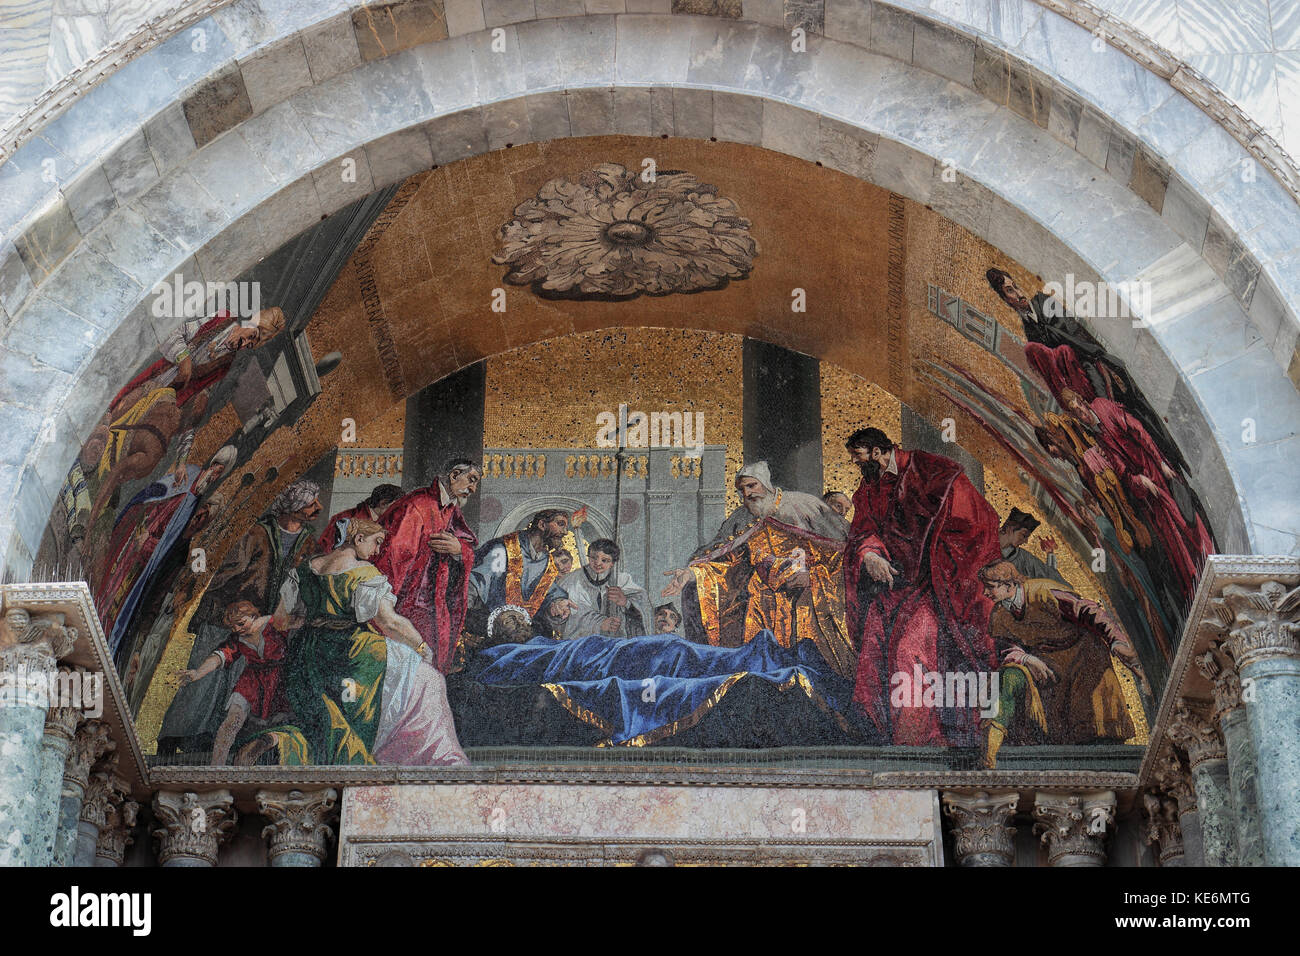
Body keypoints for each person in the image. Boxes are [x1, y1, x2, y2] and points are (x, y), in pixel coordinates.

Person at [248, 518, 468, 766]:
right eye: (376, 542)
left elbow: (281, 621)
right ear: (358, 539)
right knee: (430, 679)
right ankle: (433, 757)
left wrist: (317, 619)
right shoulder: (362, 572)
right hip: (354, 653)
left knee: (331, 718)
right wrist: (421, 647)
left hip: (310, 654)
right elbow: (390, 623)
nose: (377, 550)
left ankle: (285, 743)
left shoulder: (303, 570)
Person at [844, 428, 1002, 746]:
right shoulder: (869, 488)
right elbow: (863, 529)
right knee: (872, 645)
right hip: (897, 586)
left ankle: (914, 740)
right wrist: (870, 554)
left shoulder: (933, 471)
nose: (855, 463)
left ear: (877, 452)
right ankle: (879, 736)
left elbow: (976, 524)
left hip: (939, 585)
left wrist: (937, 560)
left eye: (858, 456)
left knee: (910, 650)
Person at [155, 479, 321, 756]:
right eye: (310, 502)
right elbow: (224, 571)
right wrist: (199, 599)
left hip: (263, 627)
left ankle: (211, 738)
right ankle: (176, 735)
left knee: (238, 684)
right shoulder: (256, 533)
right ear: (293, 506)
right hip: (227, 616)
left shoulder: (308, 544)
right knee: (206, 679)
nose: (318, 507)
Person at [661, 461, 855, 679]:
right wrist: (692, 573)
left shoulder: (804, 506)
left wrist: (812, 577)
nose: (747, 493)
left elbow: (841, 555)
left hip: (804, 604)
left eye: (752, 485)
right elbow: (726, 562)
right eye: (742, 489)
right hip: (759, 608)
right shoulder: (742, 518)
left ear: (766, 484)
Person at [977, 561, 1147, 768]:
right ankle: (989, 757)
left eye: (990, 586)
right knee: (1010, 677)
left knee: (1092, 720)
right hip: (1047, 665)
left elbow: (1087, 611)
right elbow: (1006, 646)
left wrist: (1116, 641)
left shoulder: (1044, 592)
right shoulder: (999, 615)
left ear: (1009, 584)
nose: (985, 592)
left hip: (1082, 659)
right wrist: (1026, 659)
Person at [95, 445, 235, 663]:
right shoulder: (186, 478)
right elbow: (157, 500)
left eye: (219, 474)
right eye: (215, 468)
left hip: (148, 579)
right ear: (211, 464)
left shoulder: (190, 549)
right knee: (113, 592)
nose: (214, 475)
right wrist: (146, 532)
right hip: (137, 554)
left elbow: (178, 584)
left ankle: (110, 642)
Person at [370, 460, 481, 673]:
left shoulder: (450, 507)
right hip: (408, 605)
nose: (473, 489)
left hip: (433, 605)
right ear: (454, 475)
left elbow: (466, 543)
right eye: (471, 480)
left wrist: (459, 549)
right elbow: (393, 563)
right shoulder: (416, 505)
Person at [175, 600, 294, 766]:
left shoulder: (275, 624)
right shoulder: (237, 639)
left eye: (241, 623)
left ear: (253, 616)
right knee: (232, 721)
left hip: (280, 679)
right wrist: (197, 673)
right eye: (233, 627)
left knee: (283, 722)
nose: (237, 629)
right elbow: (220, 656)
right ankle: (216, 766)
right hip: (251, 680)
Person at [468, 509, 569, 633]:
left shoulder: (545, 560)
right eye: (560, 524)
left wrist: (557, 603)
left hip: (523, 631)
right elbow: (474, 585)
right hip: (493, 629)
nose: (565, 532)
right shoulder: (502, 549)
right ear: (542, 525)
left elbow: (549, 592)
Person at [557, 539, 648, 638]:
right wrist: (600, 623)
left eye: (604, 560)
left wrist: (626, 602)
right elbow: (571, 616)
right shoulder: (571, 581)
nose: (598, 563)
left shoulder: (623, 580)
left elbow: (644, 610)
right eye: (594, 558)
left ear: (612, 562)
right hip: (582, 642)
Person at [319, 483, 404, 553]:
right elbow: (326, 548)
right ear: (383, 503)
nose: (398, 512)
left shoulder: (389, 522)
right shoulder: (346, 518)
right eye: (396, 508)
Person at [999, 508, 1070, 586]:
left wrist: (1050, 554)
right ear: (1010, 528)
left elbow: (1049, 575)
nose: (1026, 541)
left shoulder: (1023, 558)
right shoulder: (989, 538)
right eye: (1024, 535)